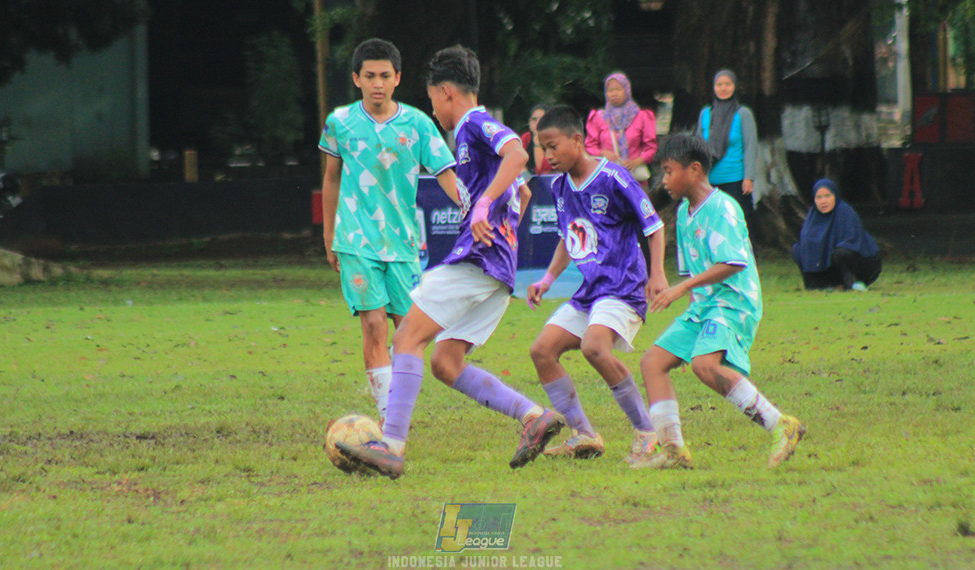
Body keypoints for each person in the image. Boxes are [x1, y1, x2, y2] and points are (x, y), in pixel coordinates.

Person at [337, 45, 563, 479]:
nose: (434, 112)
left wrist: (483, 208)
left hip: (478, 257)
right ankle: (534, 417)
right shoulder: (470, 132)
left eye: (432, 101)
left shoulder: (473, 122)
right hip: (500, 270)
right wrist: (504, 200)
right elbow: (526, 187)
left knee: (405, 340)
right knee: (446, 363)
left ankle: (391, 447)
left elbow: (517, 153)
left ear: (444, 92)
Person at [634, 134, 805, 470]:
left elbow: (731, 264)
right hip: (705, 306)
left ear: (695, 170)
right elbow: (696, 269)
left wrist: (681, 289)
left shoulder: (724, 207)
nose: (663, 180)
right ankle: (673, 451)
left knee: (704, 365)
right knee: (652, 363)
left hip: (734, 301)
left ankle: (783, 425)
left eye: (669, 171)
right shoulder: (684, 214)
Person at [319, 38, 458, 424]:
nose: (377, 83)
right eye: (369, 76)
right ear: (356, 79)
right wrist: (329, 236)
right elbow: (331, 179)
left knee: (407, 333)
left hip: (403, 244)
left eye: (384, 75)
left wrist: (471, 207)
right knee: (374, 324)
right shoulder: (340, 123)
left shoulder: (417, 124)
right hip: (355, 240)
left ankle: (396, 404)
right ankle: (388, 420)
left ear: (397, 78)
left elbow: (445, 172)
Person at [526, 106, 668, 462]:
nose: (548, 156)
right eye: (543, 149)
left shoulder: (614, 178)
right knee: (542, 351)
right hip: (591, 292)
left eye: (553, 146)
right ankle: (584, 434)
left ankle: (647, 433)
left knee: (594, 347)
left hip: (623, 287)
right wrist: (547, 279)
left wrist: (658, 274)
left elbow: (654, 226)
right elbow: (567, 238)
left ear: (577, 140)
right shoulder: (559, 187)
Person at [696, 69, 761, 245]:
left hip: (736, 179)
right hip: (710, 180)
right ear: (713, 88)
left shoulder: (743, 114)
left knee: (739, 222)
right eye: (719, 84)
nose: (723, 88)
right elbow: (698, 148)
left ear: (734, 86)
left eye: (727, 84)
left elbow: (750, 146)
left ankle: (746, 262)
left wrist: (749, 177)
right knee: (711, 224)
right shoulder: (705, 114)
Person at [792, 178, 882, 291]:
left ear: (835, 195)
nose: (823, 201)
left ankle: (850, 284)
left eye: (827, 196)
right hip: (830, 265)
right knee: (798, 250)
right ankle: (816, 285)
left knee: (841, 253)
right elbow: (807, 241)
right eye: (819, 197)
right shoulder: (813, 215)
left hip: (860, 262)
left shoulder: (845, 212)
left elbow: (852, 241)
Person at [585, 72, 657, 187]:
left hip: (635, 179)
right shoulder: (598, 118)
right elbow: (589, 147)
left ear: (627, 90)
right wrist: (603, 153)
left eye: (618, 89)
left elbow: (651, 148)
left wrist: (636, 162)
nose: (614, 94)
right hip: (607, 179)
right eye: (610, 90)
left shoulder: (642, 117)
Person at [521, 103, 555, 175]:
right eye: (534, 119)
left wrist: (537, 143)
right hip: (530, 179)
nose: (538, 123)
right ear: (529, 122)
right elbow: (518, 161)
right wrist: (527, 178)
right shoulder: (526, 137)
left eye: (542, 119)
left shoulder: (555, 139)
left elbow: (541, 168)